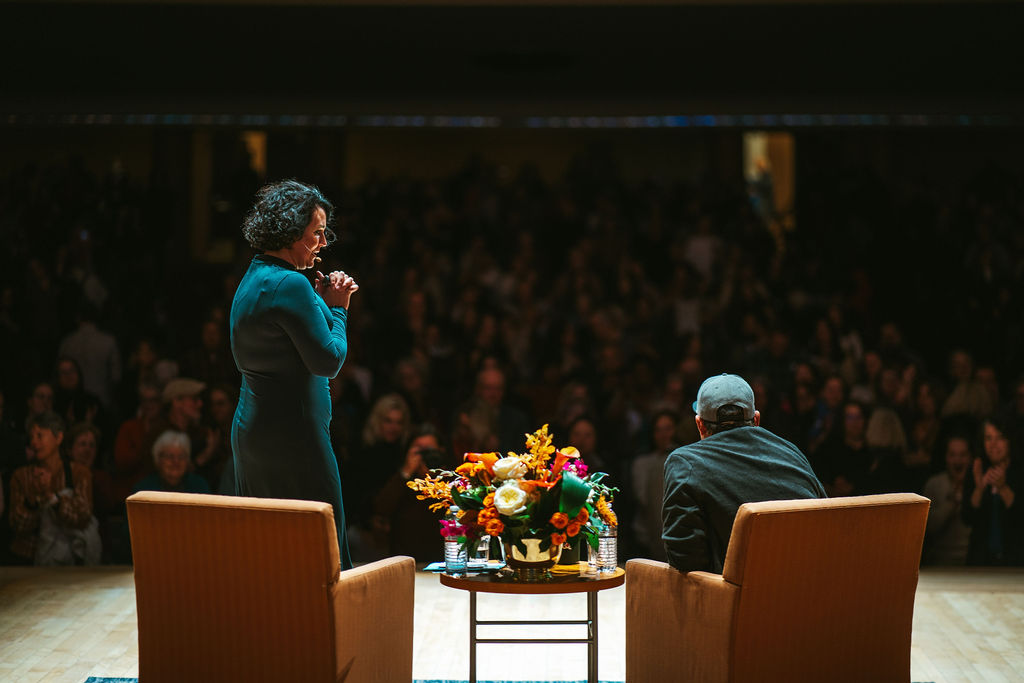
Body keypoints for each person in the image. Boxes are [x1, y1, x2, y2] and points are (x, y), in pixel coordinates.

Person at [229, 179, 358, 569]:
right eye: (316, 233)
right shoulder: (290, 285)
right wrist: (338, 307)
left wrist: (316, 304)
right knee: (322, 553)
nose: (322, 243)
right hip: (295, 439)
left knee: (268, 555)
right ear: (290, 231)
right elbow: (329, 360)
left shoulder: (254, 276)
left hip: (253, 435)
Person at [662, 373, 826, 573]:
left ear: (700, 425)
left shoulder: (684, 462)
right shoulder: (792, 452)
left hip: (739, 600)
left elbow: (685, 559)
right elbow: (825, 522)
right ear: (756, 420)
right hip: (808, 590)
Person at [8, 411, 100, 565]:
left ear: (58, 438)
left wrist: (52, 498)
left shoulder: (79, 473)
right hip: (27, 561)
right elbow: (17, 524)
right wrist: (35, 500)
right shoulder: (21, 476)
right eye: (31, 437)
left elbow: (82, 516)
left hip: (68, 562)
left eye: (40, 436)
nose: (34, 443)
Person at [962, 417, 1022, 565]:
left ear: (1010, 440)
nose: (993, 444)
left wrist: (1003, 488)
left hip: (1016, 561)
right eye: (988, 438)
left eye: (999, 438)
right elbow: (967, 517)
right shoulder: (977, 469)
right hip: (980, 561)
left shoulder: (1020, 472)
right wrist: (979, 489)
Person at [922, 435, 973, 565]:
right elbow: (929, 528)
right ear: (946, 457)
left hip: (971, 559)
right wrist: (952, 501)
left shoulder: (977, 483)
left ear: (970, 458)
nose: (958, 460)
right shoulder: (935, 484)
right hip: (940, 559)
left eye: (962, 455)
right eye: (952, 455)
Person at [133, 430, 211, 494]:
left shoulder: (199, 486)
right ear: (158, 460)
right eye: (170, 456)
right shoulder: (143, 490)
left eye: (181, 456)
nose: (176, 461)